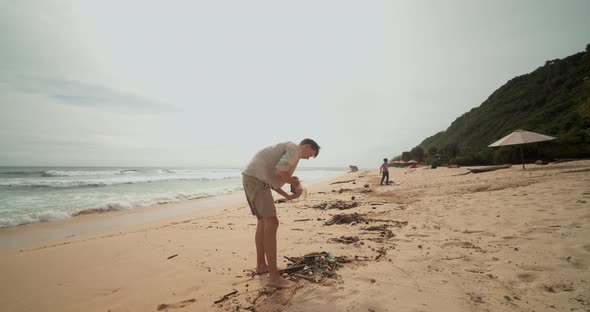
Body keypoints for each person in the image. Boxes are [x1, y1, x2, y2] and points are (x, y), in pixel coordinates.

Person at [242, 138, 320, 288]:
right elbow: (280, 172)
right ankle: (274, 278)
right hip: (257, 181)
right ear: (308, 146)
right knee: (272, 222)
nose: (308, 158)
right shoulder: (294, 149)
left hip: (251, 178)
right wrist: (296, 183)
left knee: (263, 221)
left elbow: (273, 180)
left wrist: (288, 196)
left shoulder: (286, 149)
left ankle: (261, 265)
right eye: (311, 154)